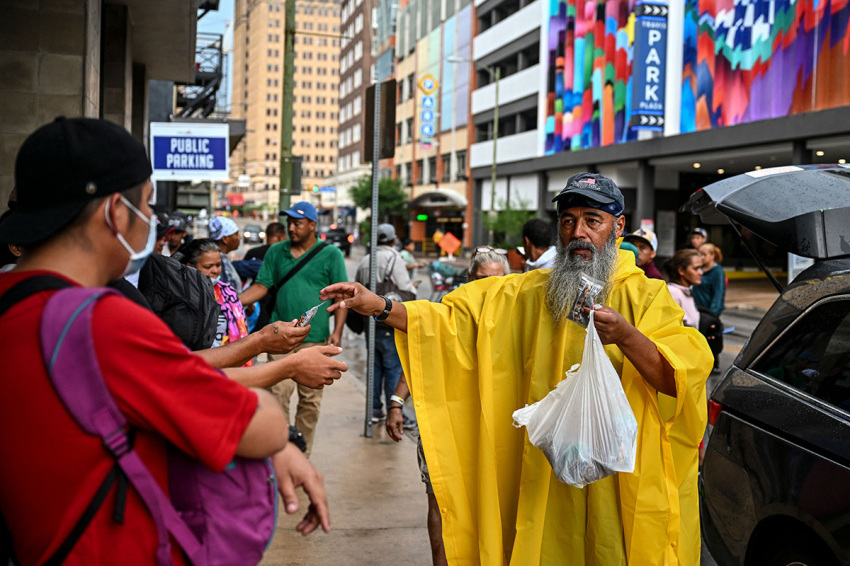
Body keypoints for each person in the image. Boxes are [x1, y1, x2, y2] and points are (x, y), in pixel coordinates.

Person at [323, 172, 712, 565]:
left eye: (592, 220)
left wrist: (628, 336)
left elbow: (680, 379)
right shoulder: (527, 292)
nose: (578, 231)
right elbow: (453, 319)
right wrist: (381, 306)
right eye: (568, 220)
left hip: (617, 484)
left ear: (618, 226)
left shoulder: (647, 296)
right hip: (543, 478)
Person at [0, 117, 329, 565]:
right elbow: (262, 426)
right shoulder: (101, 322)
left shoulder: (15, 303)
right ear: (116, 212)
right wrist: (278, 407)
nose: (152, 221)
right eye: (147, 204)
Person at [386, 247, 510, 566]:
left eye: (496, 282)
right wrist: (397, 402)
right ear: (468, 279)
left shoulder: (515, 315)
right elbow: (422, 357)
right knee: (441, 498)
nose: (487, 289)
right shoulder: (447, 311)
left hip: (497, 425)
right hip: (446, 421)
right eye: (481, 280)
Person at [239, 201, 348, 458]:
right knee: (278, 396)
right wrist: (232, 300)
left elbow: (341, 296)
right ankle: (280, 452)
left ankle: (301, 456)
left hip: (315, 339)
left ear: (312, 225)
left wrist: (338, 331)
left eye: (298, 223)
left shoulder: (331, 254)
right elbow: (261, 287)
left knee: (310, 402)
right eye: (289, 222)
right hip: (281, 339)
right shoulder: (277, 251)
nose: (292, 227)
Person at [355, 224, 417, 423]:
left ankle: (374, 409)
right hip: (389, 323)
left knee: (374, 365)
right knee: (393, 367)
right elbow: (406, 289)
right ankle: (395, 412)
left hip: (368, 322)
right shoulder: (394, 258)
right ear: (393, 240)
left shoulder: (366, 260)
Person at [182, 238, 253, 365]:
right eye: (208, 266)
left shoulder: (229, 293)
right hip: (195, 366)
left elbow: (242, 331)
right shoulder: (181, 295)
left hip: (229, 367)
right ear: (190, 267)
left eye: (218, 265)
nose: (215, 271)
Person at [663, 249, 704, 328]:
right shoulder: (674, 293)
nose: (700, 272)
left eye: (701, 268)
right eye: (696, 268)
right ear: (681, 270)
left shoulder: (686, 291)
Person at [209, 215, 243, 289]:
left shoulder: (221, 259)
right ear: (225, 239)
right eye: (236, 234)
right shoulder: (219, 263)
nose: (239, 238)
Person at [693, 242, 726, 316]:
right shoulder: (700, 268)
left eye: (705, 255)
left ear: (712, 256)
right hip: (697, 310)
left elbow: (718, 294)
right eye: (700, 254)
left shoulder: (717, 272)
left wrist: (712, 315)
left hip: (708, 312)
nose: (702, 257)